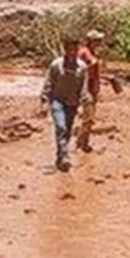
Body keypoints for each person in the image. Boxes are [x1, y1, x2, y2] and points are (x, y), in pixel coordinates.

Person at [41, 36, 88, 172]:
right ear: (65, 50)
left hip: (73, 103)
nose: (72, 52)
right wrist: (44, 101)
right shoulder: (56, 65)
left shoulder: (82, 67)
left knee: (67, 130)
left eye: (75, 49)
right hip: (57, 101)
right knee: (61, 127)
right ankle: (65, 156)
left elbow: (83, 88)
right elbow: (48, 83)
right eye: (69, 49)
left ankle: (60, 156)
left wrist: (83, 105)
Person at [75, 29, 106, 153]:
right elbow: (78, 70)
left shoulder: (92, 52)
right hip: (86, 89)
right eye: (96, 40)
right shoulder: (84, 52)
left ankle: (83, 142)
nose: (99, 43)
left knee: (89, 118)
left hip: (92, 88)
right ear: (90, 41)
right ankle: (81, 144)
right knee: (88, 117)